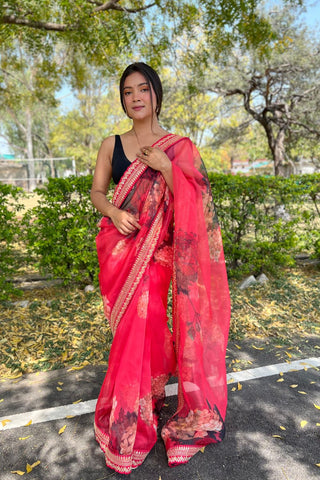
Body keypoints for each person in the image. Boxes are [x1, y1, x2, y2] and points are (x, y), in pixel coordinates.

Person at [90, 62, 230, 475]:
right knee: (133, 333)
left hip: (159, 257)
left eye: (142, 89)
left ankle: (139, 411)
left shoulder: (177, 147)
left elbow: (198, 200)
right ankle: (135, 409)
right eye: (128, 92)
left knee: (149, 327)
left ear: (155, 95)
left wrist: (167, 167)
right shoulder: (111, 144)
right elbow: (97, 193)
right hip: (122, 253)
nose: (135, 97)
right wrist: (114, 213)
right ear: (123, 100)